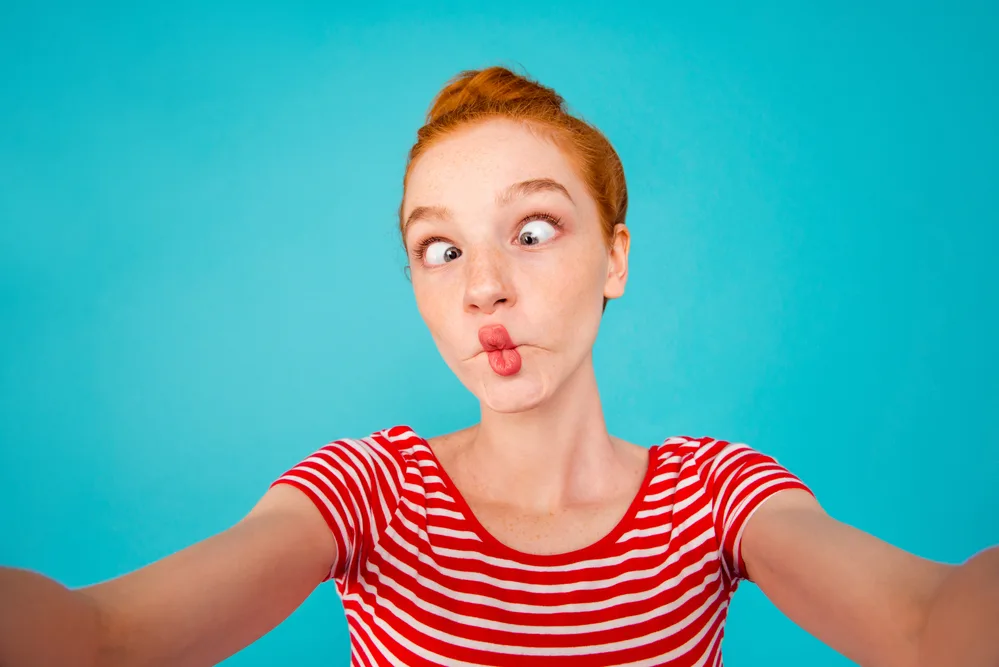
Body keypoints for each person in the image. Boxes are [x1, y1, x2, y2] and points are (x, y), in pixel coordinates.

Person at [1, 65, 997, 667]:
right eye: (441, 249)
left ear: (615, 256)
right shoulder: (369, 490)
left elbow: (923, 625)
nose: (483, 288)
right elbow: (105, 638)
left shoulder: (714, 493)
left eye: (530, 230)